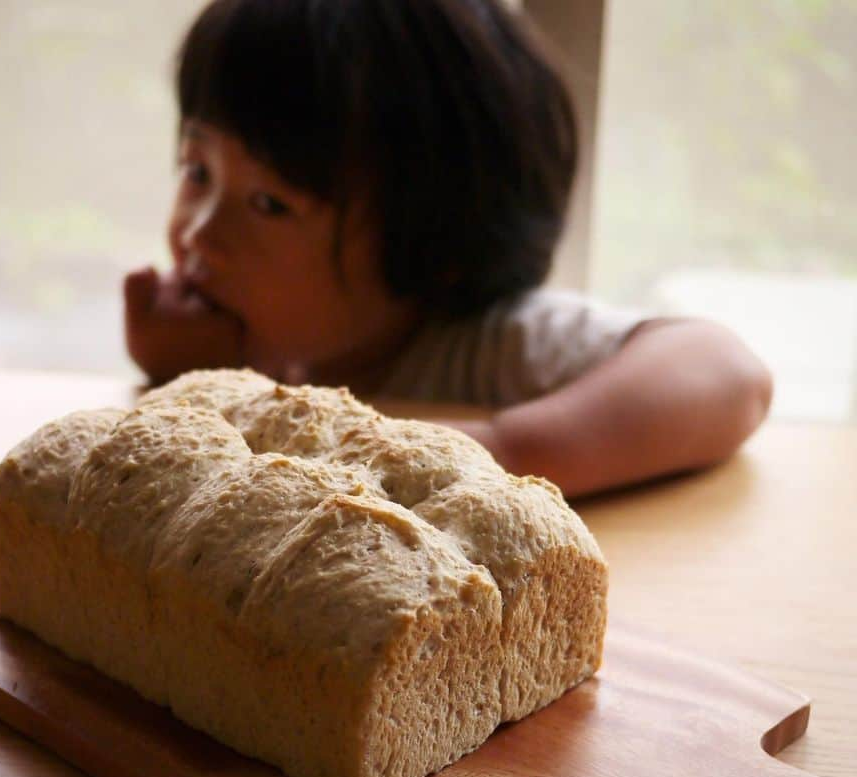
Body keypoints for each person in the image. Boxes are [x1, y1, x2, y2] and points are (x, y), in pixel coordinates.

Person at [122, 0, 773, 498]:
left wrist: (503, 449)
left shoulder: (478, 348)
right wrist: (192, 375)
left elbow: (728, 373)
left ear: (435, 239)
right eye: (197, 170)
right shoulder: (270, 350)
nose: (198, 231)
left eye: (271, 204)